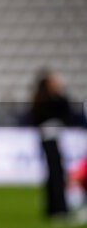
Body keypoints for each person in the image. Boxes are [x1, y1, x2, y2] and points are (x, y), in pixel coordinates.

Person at [30, 67, 71, 218]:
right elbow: (65, 112)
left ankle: (53, 208)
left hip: (48, 139)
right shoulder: (47, 101)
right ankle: (58, 209)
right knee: (56, 173)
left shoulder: (42, 100)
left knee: (54, 173)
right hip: (49, 139)